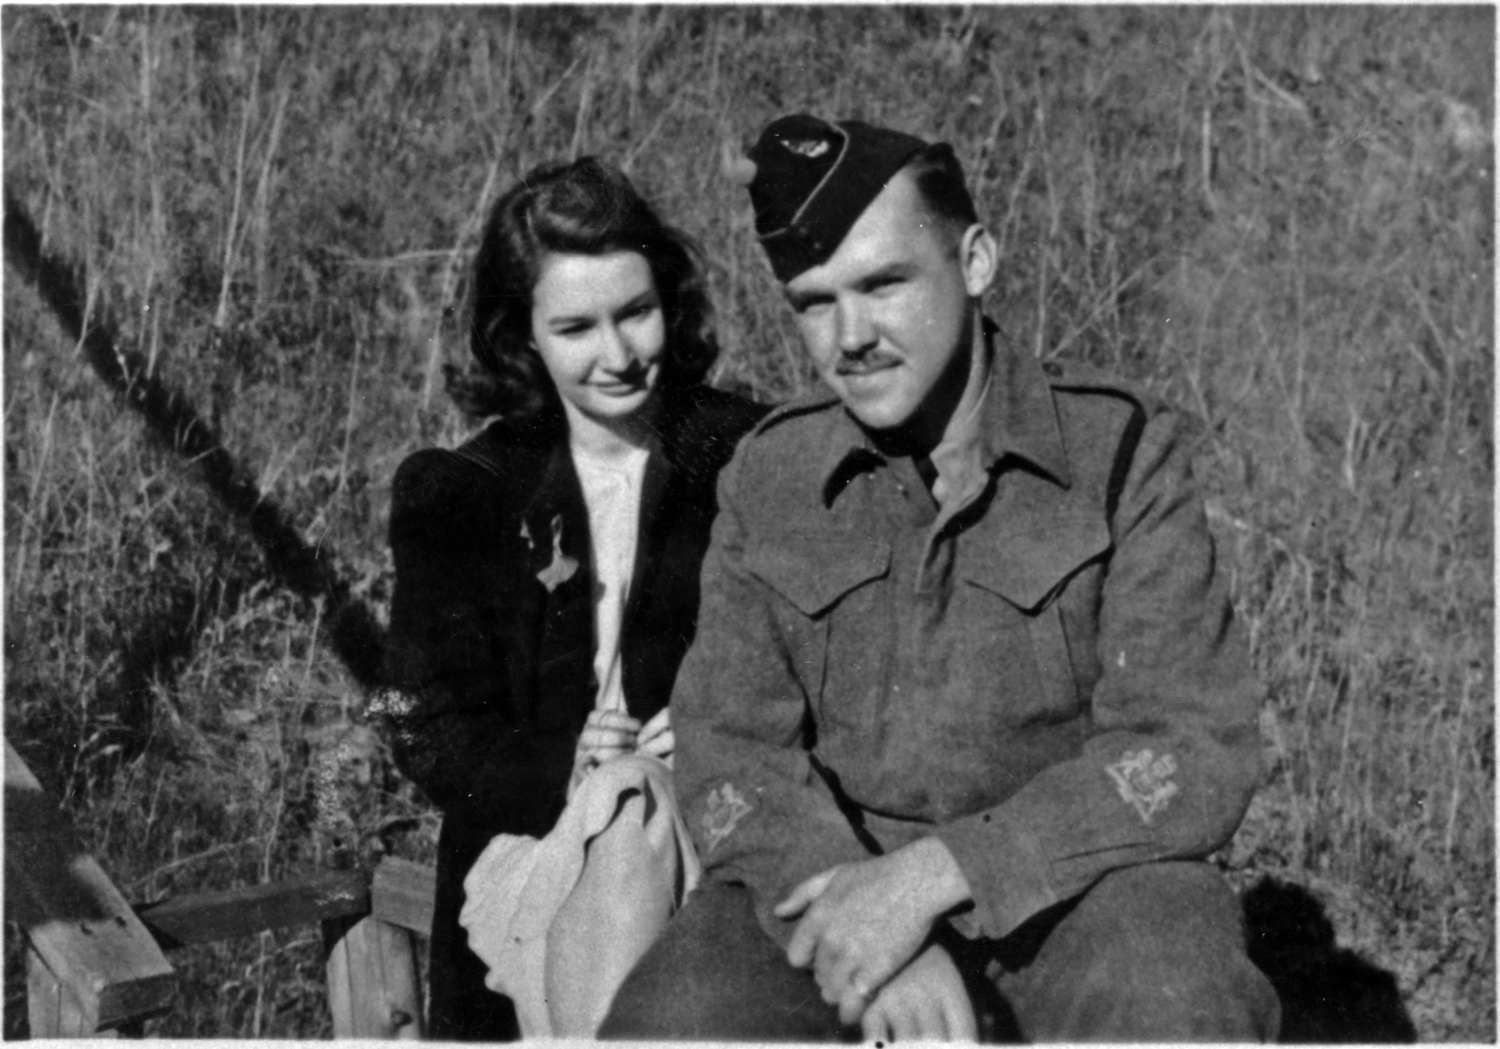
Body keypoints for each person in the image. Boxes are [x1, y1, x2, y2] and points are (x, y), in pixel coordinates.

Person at [599, 115, 1281, 1041]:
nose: (851, 336)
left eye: (884, 284)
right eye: (813, 301)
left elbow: (1193, 743)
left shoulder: (1118, 454)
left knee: (1175, 1006)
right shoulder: (773, 476)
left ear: (976, 261)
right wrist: (861, 925)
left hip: (1083, 891)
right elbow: (730, 748)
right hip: (830, 877)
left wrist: (934, 879)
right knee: (672, 1024)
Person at [372, 156, 766, 1040]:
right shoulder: (462, 491)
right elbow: (418, 717)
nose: (620, 355)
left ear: (671, 302)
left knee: (639, 802)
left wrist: (713, 721)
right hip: (532, 837)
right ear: (525, 339)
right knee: (621, 799)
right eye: (578, 326)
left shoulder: (746, 455)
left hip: (713, 822)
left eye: (636, 313)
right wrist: (561, 759)